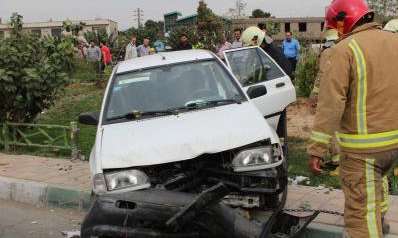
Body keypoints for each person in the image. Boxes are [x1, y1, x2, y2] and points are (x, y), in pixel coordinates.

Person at [308, 0, 398, 237]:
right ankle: (382, 225)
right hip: (394, 144)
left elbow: (330, 103)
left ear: (343, 22)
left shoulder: (344, 49)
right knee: (377, 191)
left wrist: (318, 148)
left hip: (362, 150)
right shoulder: (394, 41)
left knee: (360, 213)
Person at [308, 28, 340, 176]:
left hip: (329, 95)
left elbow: (321, 76)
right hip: (342, 95)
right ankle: (336, 159)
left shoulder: (327, 53)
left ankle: (338, 159)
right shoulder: (347, 50)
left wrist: (314, 94)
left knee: (329, 127)